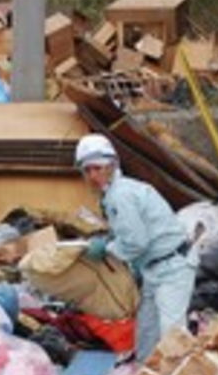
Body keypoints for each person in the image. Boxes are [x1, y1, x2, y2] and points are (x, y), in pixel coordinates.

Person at [75, 133, 196, 360]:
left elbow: (137, 243)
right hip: (154, 267)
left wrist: (107, 249)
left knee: (173, 335)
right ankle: (145, 374)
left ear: (111, 166)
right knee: (147, 331)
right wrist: (111, 241)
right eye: (87, 170)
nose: (93, 175)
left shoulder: (121, 195)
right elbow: (128, 232)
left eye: (97, 168)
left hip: (172, 267)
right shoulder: (115, 193)